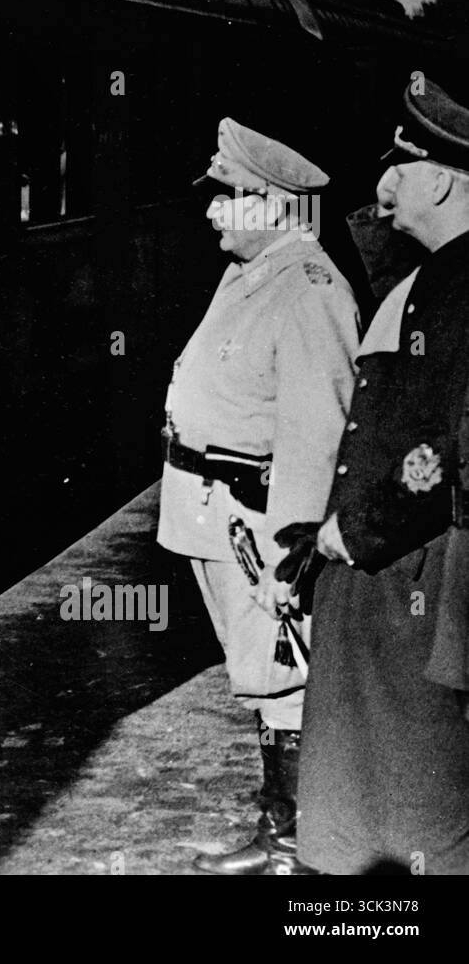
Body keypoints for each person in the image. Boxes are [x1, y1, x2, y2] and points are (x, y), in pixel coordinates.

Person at [158, 118, 360, 875]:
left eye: (227, 197)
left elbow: (316, 436)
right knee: (260, 680)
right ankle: (281, 831)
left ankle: (293, 843)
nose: (211, 212)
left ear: (276, 206)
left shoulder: (309, 290)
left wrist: (290, 556)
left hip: (257, 526)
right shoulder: (253, 271)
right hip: (216, 517)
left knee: (285, 679)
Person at [289, 78, 469, 875]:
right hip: (392, 575)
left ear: (437, 178)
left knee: (409, 801)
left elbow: (442, 450)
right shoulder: (437, 276)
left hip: (409, 577)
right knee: (375, 796)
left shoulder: (460, 290)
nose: (382, 185)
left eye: (399, 164)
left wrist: (351, 532)